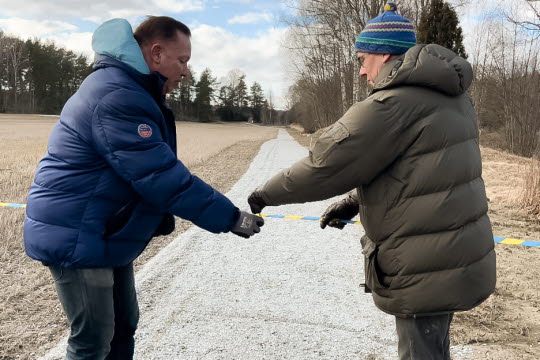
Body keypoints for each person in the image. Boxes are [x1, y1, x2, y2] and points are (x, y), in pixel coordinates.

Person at [248, 2, 496, 359]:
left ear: (383, 55)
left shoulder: (391, 105)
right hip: (453, 251)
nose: (363, 71)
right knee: (433, 345)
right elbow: (417, 170)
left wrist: (265, 194)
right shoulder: (453, 98)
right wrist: (354, 202)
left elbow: (325, 166)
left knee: (420, 351)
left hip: (423, 260)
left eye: (363, 58)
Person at [24, 16, 263, 359]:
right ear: (155, 53)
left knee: (123, 327)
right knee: (93, 340)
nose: (186, 71)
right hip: (77, 233)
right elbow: (162, 179)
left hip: (103, 232)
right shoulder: (117, 95)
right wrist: (230, 217)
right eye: (182, 61)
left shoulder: (130, 89)